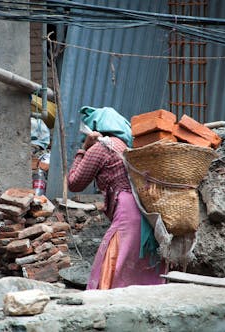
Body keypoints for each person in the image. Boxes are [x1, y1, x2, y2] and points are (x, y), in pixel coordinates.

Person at [68, 106, 165, 290]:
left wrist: (83, 149)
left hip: (126, 209)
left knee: (115, 258)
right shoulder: (125, 145)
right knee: (135, 257)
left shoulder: (101, 147)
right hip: (142, 208)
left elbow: (74, 183)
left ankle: (107, 299)